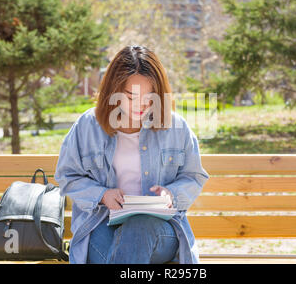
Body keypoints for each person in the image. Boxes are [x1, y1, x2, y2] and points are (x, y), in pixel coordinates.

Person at [54, 45, 209, 264]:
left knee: (139, 227)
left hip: (159, 231)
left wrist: (171, 194)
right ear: (113, 91)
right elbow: (67, 177)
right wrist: (102, 195)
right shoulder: (87, 126)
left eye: (150, 96)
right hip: (102, 224)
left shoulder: (176, 127)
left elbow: (194, 176)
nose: (142, 105)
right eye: (131, 96)